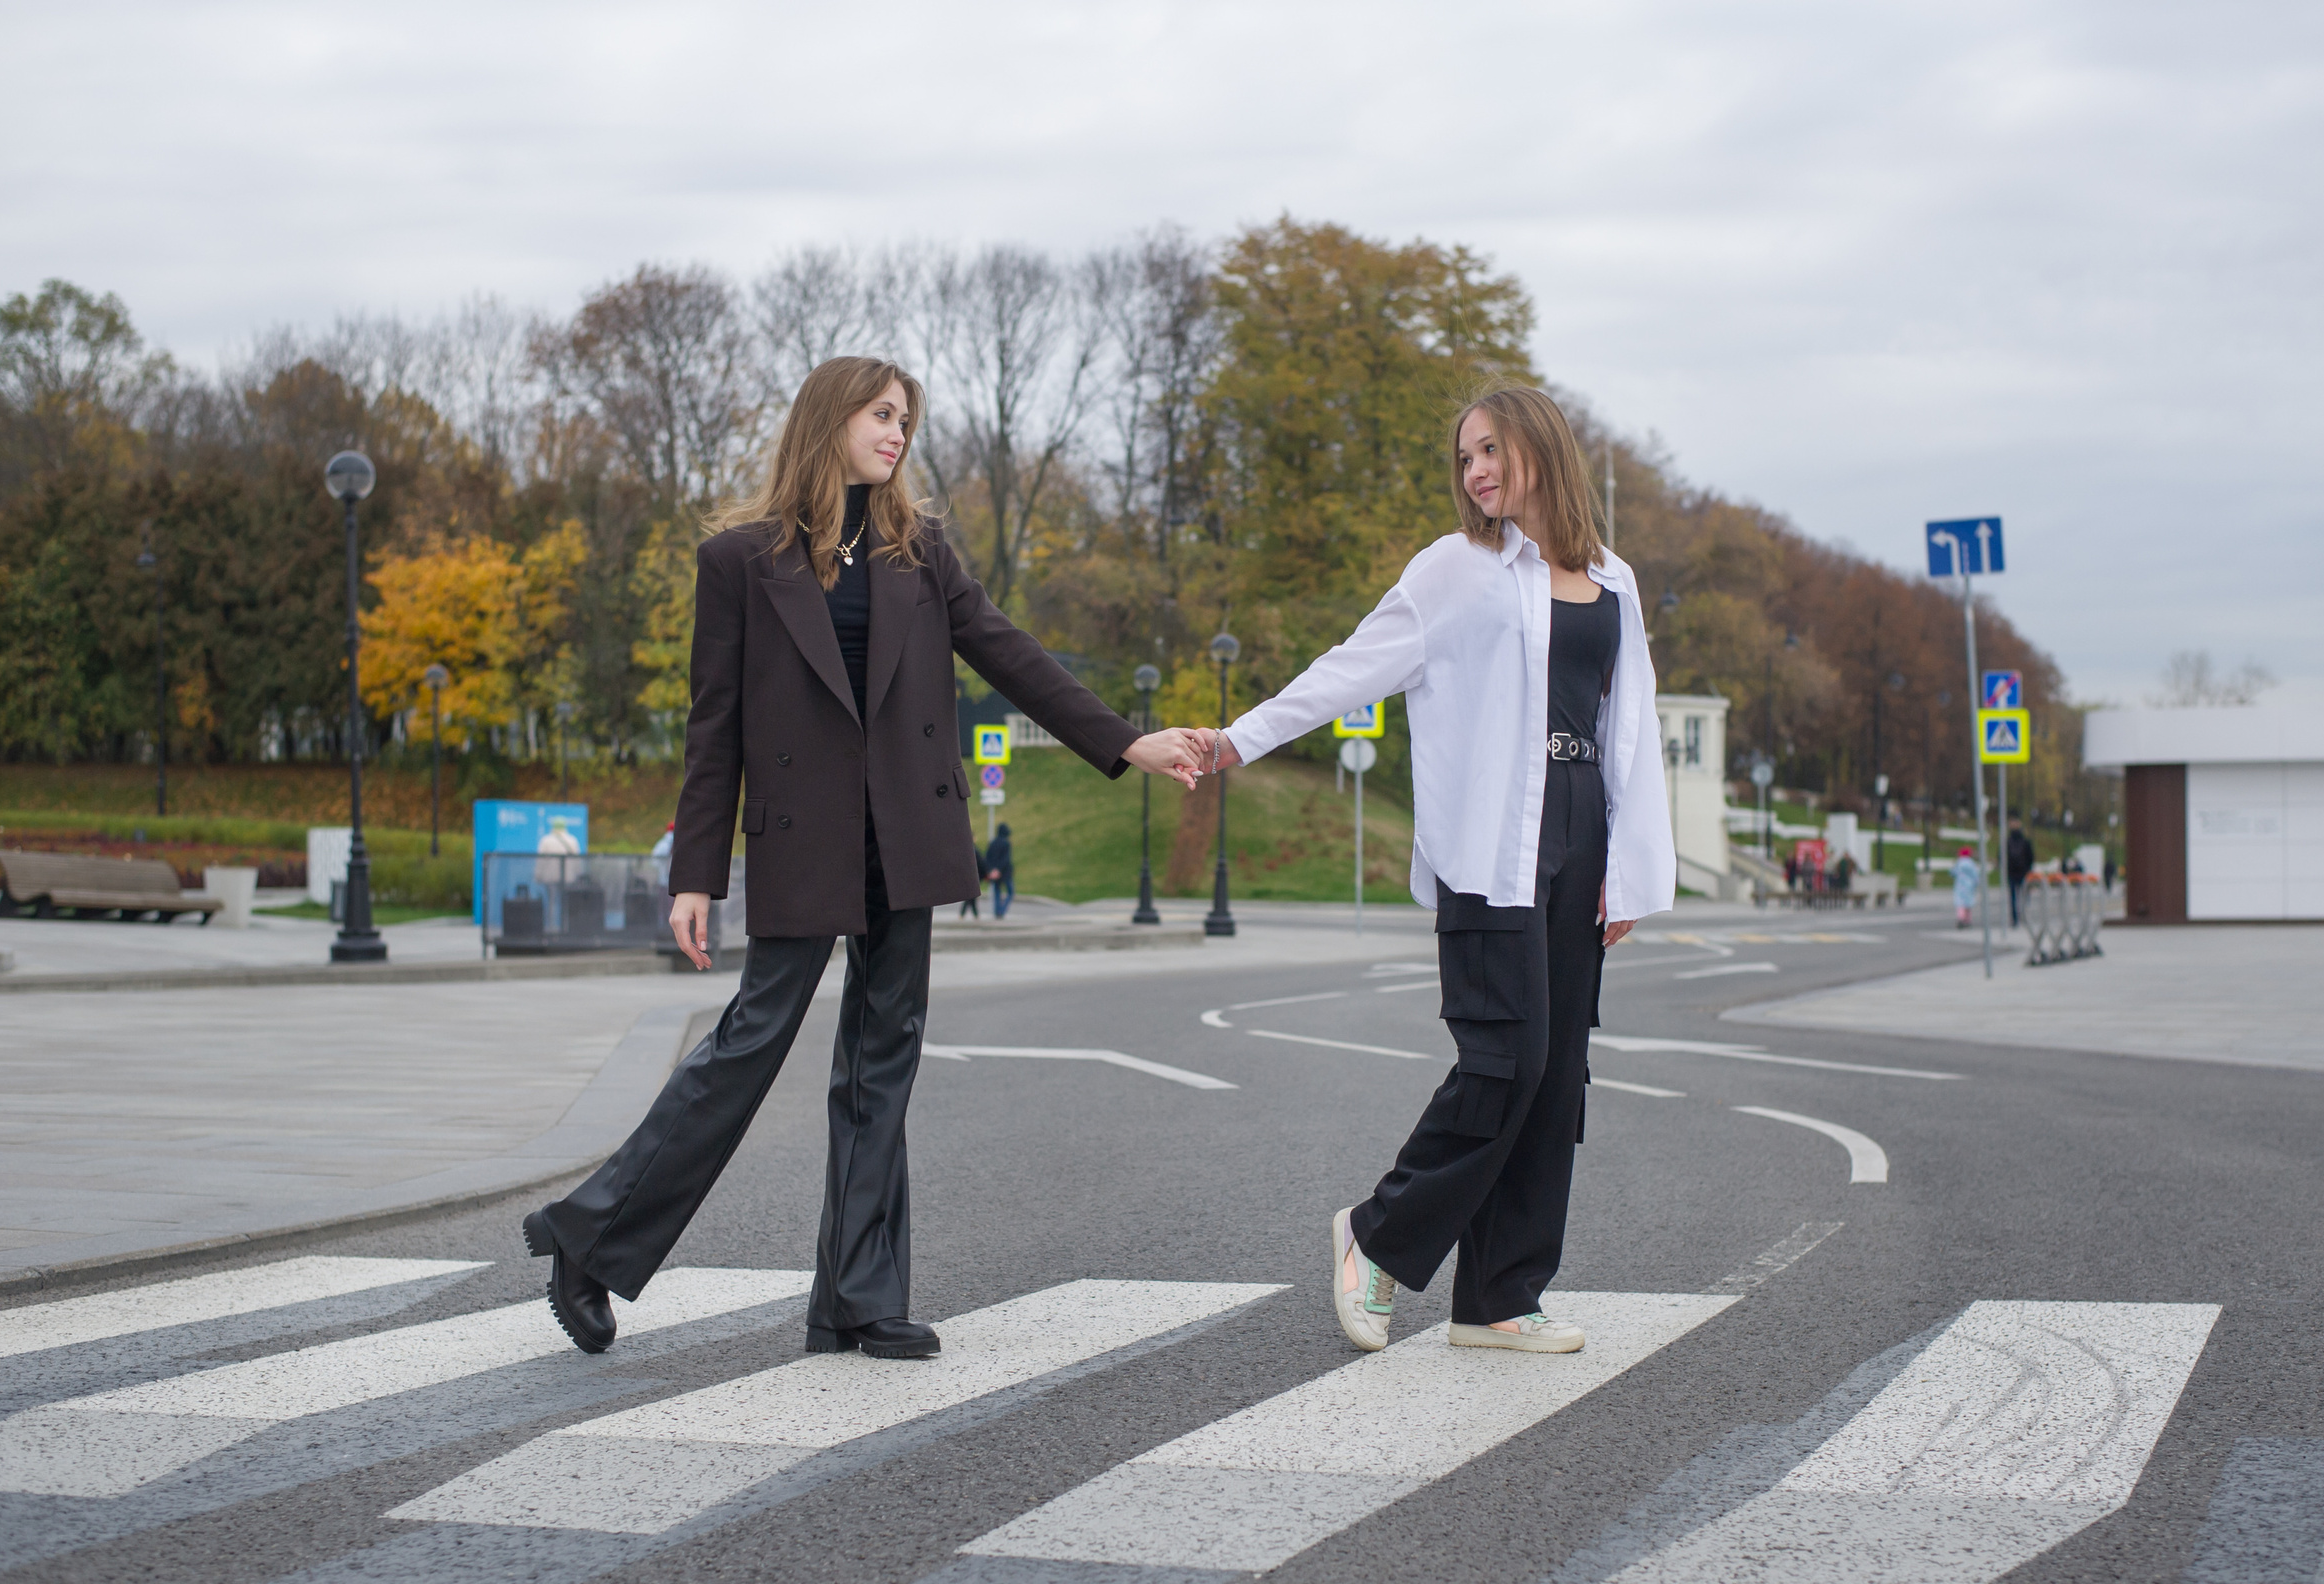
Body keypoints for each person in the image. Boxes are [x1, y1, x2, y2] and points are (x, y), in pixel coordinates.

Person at [521, 356, 1209, 1359]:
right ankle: (587, 1241)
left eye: (905, 419)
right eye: (881, 414)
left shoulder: (918, 551)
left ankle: (856, 1296)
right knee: (747, 1049)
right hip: (805, 843)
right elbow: (714, 730)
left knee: (881, 1066)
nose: (897, 433)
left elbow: (1010, 654)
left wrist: (1124, 740)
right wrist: (694, 876)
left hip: (908, 837)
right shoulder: (739, 562)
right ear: (829, 418)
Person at [1199, 385, 1674, 1357]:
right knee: (1507, 1062)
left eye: (1490, 449)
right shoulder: (1456, 570)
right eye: (1464, 458)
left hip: (1579, 832)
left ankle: (1499, 1296)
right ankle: (1377, 1235)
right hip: (1490, 845)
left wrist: (1626, 872)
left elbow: (1632, 734)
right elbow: (1350, 666)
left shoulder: (1613, 579)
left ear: (1540, 447)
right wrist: (1237, 740)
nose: (1475, 473)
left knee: (1557, 1078)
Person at [2005, 816, 2035, 928]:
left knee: (2020, 897)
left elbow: (2030, 857)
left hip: (2021, 872)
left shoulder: (2019, 841)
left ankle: (2020, 918)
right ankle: (2017, 918)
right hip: (2015, 872)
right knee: (2017, 897)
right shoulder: (2009, 841)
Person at [983, 823, 1014, 918]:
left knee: (997, 892)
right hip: (1005, 873)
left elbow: (987, 858)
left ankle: (997, 911)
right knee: (1010, 892)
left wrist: (992, 870)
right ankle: (1002, 910)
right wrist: (999, 870)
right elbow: (1006, 859)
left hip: (994, 873)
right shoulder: (1006, 843)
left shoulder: (992, 843)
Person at [1953, 845, 1980, 928]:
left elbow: (1953, 872)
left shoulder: (1959, 863)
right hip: (1969, 885)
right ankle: (1967, 920)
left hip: (1960, 886)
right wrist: (1976, 883)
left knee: (1960, 904)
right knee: (1968, 904)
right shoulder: (1971, 863)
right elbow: (1975, 875)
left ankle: (1960, 918)